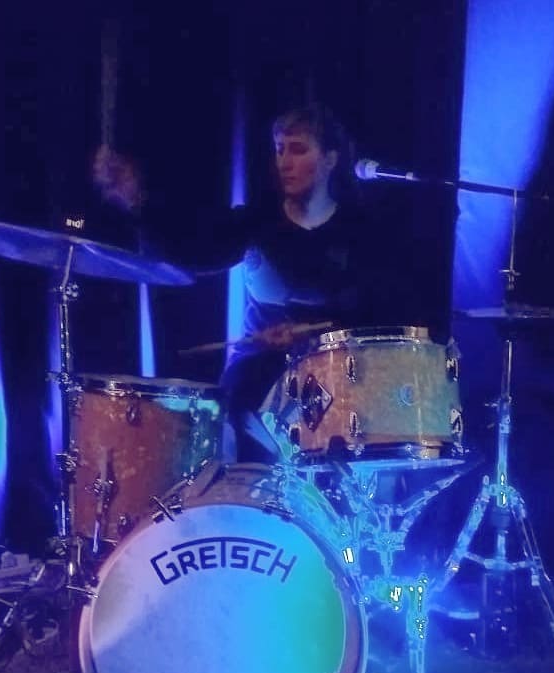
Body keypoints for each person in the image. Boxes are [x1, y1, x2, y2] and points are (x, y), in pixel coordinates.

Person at [94, 103, 397, 461]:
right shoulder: (258, 221)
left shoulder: (359, 230)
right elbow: (192, 250)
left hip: (335, 369)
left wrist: (310, 336)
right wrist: (137, 201)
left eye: (298, 150)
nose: (284, 162)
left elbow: (375, 311)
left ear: (330, 160)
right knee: (233, 414)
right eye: (280, 149)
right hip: (259, 370)